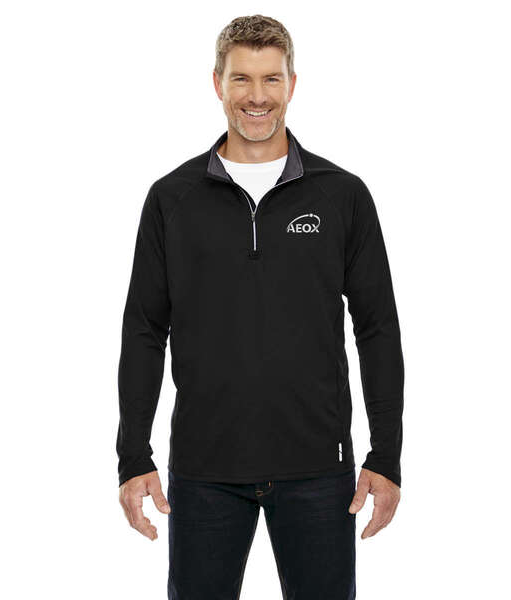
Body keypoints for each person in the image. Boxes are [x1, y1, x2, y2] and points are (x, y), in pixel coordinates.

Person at [117, 14, 404, 600]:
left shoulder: (341, 194)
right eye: (241, 79)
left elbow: (377, 329)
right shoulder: (172, 199)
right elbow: (144, 330)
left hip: (320, 469)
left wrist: (387, 455)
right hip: (204, 471)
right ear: (217, 83)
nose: (257, 96)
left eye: (271, 79)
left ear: (291, 84)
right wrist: (133, 456)